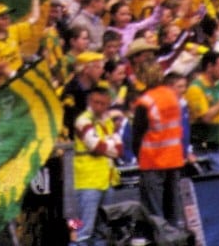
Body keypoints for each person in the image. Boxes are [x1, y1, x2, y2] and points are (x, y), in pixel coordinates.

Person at [131, 69, 188, 230]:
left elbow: (137, 134)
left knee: (154, 213)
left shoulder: (146, 101)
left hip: (152, 162)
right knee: (172, 211)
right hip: (174, 159)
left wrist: (139, 157)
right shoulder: (173, 97)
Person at [72, 84, 121, 246]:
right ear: (89, 101)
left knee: (103, 231)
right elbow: (95, 147)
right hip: (86, 183)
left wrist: (108, 147)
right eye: (95, 102)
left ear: (108, 103)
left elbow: (119, 149)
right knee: (81, 231)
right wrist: (110, 145)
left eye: (102, 103)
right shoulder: (82, 121)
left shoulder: (107, 121)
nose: (98, 106)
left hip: (106, 181)